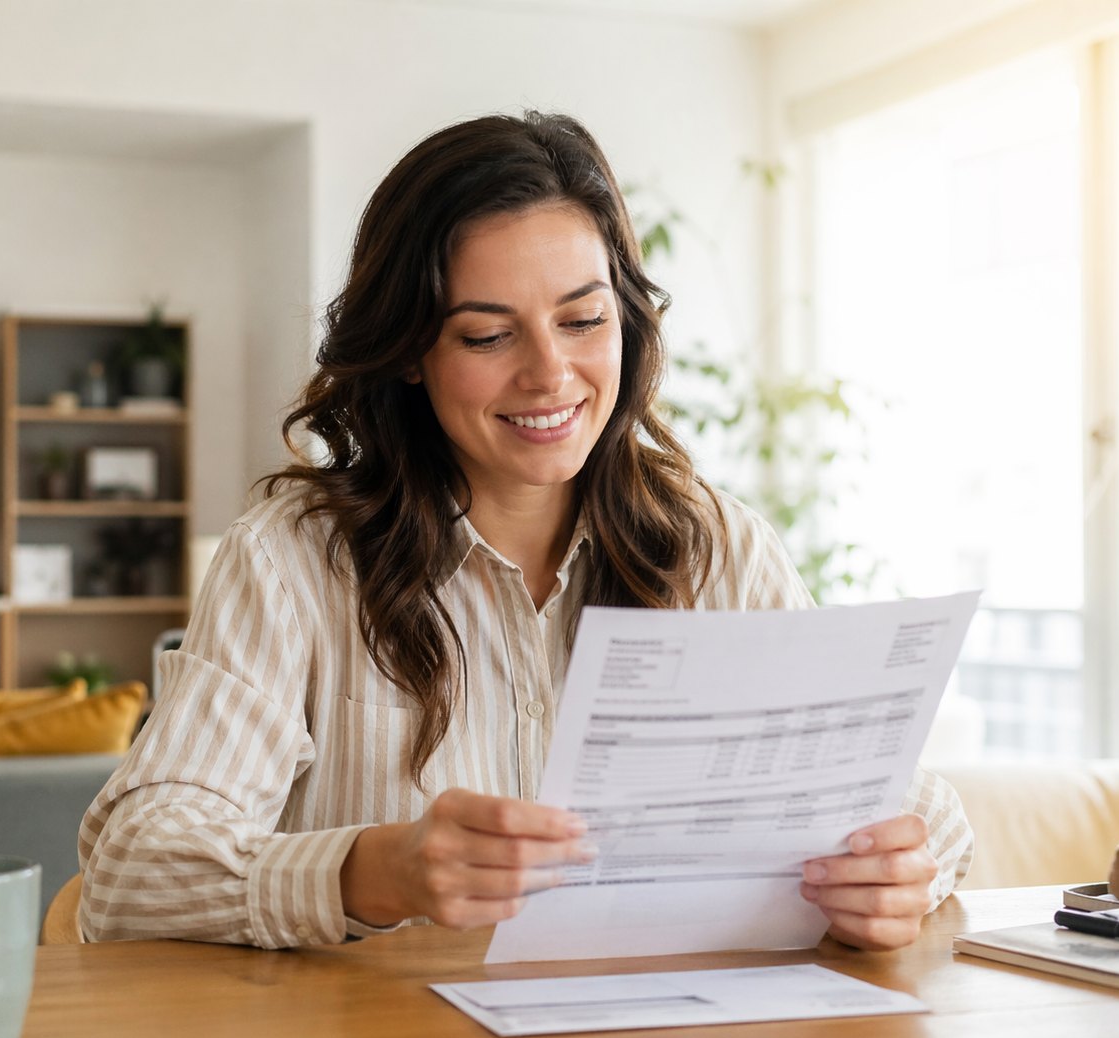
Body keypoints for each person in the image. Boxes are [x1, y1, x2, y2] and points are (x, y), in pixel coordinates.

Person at [79, 111, 973, 953]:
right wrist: (374, 872)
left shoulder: (717, 549)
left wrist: (896, 871)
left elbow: (917, 806)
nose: (551, 374)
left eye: (583, 320)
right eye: (486, 336)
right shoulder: (290, 562)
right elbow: (128, 873)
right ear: (409, 357)